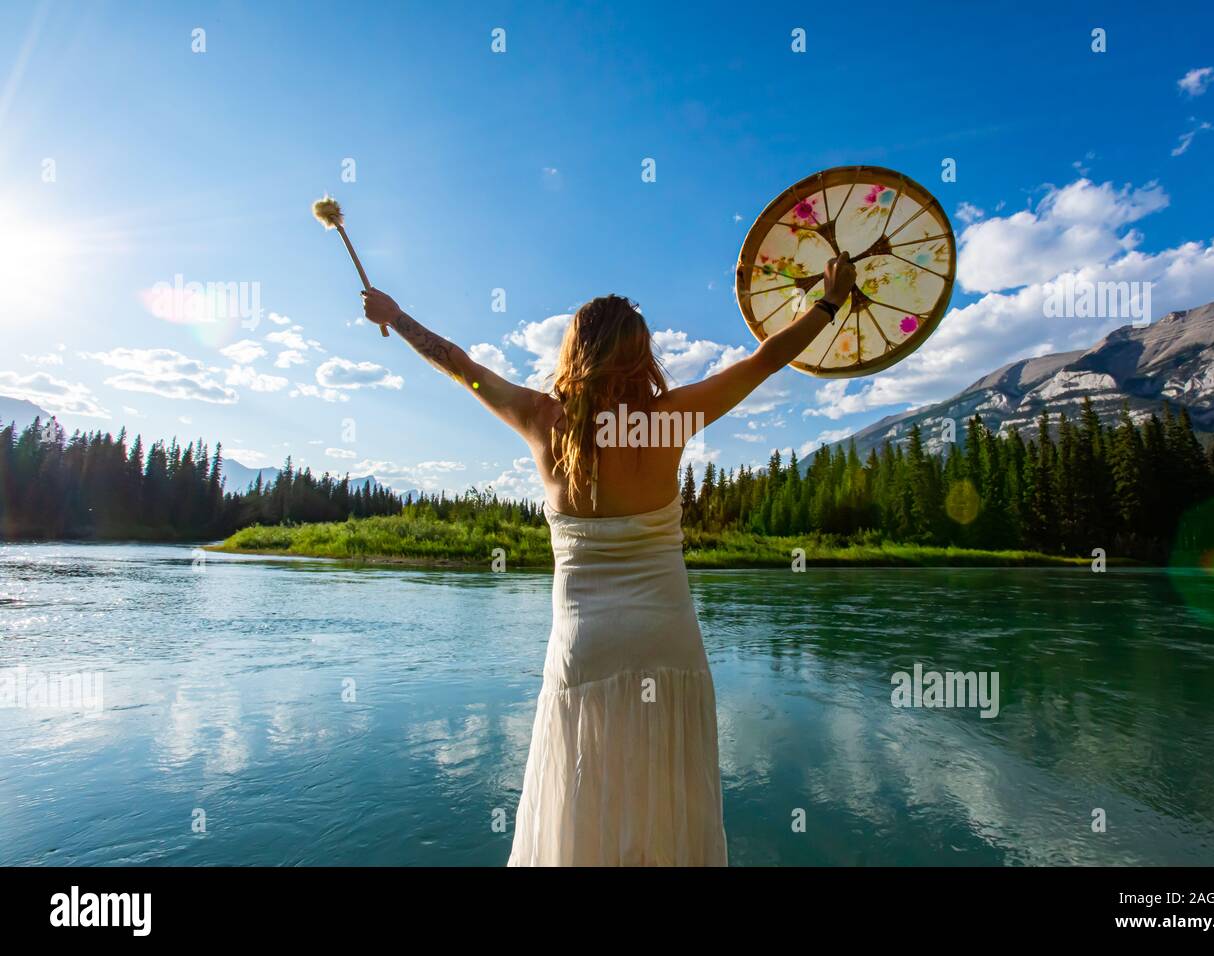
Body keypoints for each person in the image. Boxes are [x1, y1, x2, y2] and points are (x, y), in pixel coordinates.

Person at [362, 251, 857, 865]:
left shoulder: (544, 421)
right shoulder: (669, 419)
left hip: (583, 650)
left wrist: (397, 316)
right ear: (641, 352)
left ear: (575, 349)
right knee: (666, 801)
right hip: (666, 645)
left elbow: (460, 366)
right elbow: (765, 360)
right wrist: (829, 304)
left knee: (583, 799)